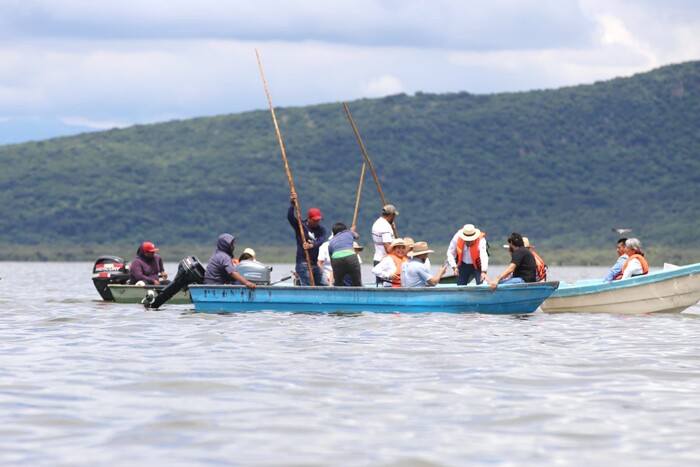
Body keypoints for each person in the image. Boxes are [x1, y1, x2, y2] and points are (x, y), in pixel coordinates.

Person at [288, 190, 328, 286]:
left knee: (325, 285)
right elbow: (290, 217)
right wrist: (292, 204)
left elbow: (321, 240)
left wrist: (311, 245)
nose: (316, 222)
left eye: (318, 220)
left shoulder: (321, 229)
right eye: (314, 220)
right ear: (309, 218)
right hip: (303, 262)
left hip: (314, 263)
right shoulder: (300, 226)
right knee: (308, 285)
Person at [372, 204, 399, 285]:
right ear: (391, 215)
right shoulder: (385, 226)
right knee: (387, 284)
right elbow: (387, 246)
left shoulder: (378, 222)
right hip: (385, 261)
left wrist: (393, 229)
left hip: (378, 258)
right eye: (394, 215)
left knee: (379, 284)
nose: (395, 218)